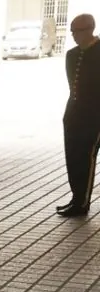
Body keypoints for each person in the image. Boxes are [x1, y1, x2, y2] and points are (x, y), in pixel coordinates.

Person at [56, 14, 100, 218]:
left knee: (87, 157)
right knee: (73, 157)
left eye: (78, 31)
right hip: (74, 113)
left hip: (95, 116)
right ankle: (76, 197)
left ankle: (82, 203)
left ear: (90, 29)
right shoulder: (72, 54)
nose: (74, 35)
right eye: (72, 31)